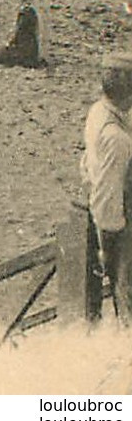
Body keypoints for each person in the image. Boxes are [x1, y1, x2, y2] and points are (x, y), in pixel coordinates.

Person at [82, 53, 132, 323]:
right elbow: (108, 200)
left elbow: (87, 164)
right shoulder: (117, 139)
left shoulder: (98, 111)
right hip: (119, 226)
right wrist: (109, 247)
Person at [0, 0, 45, 69]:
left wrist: (10, 43)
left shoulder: (25, 12)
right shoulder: (30, 11)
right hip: (30, 47)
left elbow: (19, 32)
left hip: (25, 49)